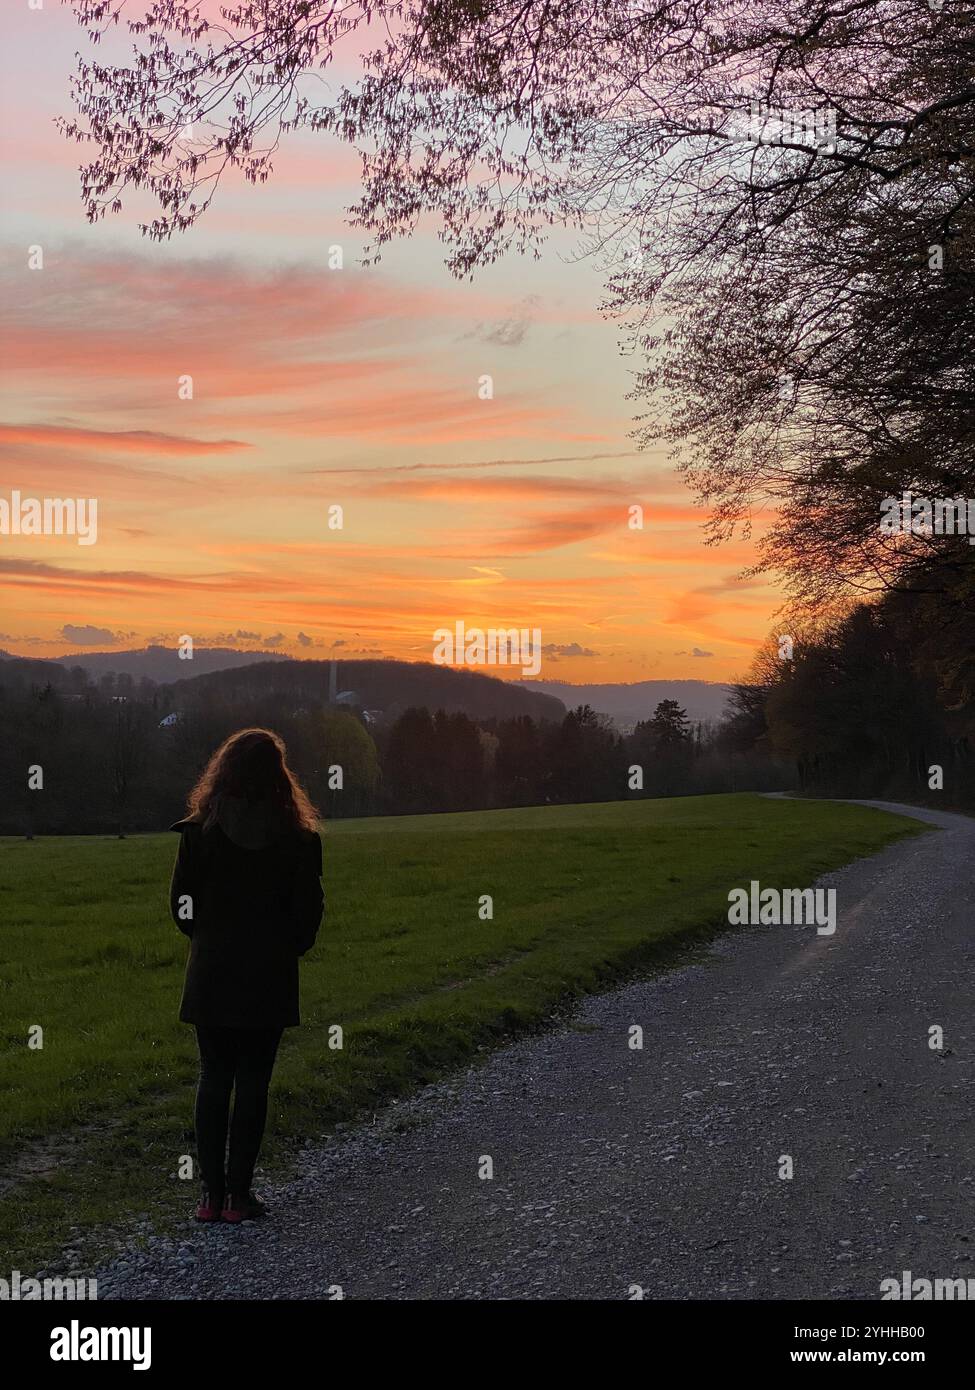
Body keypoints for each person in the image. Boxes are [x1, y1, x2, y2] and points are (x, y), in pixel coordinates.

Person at [169, 727, 323, 1223]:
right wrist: (287, 947)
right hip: (269, 974)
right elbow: (308, 913)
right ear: (280, 777)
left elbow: (182, 907)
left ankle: (210, 1197)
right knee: (255, 1080)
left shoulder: (199, 834)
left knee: (213, 1077)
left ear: (224, 771)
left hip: (212, 972)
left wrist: (207, 942)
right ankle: (240, 1196)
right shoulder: (299, 840)